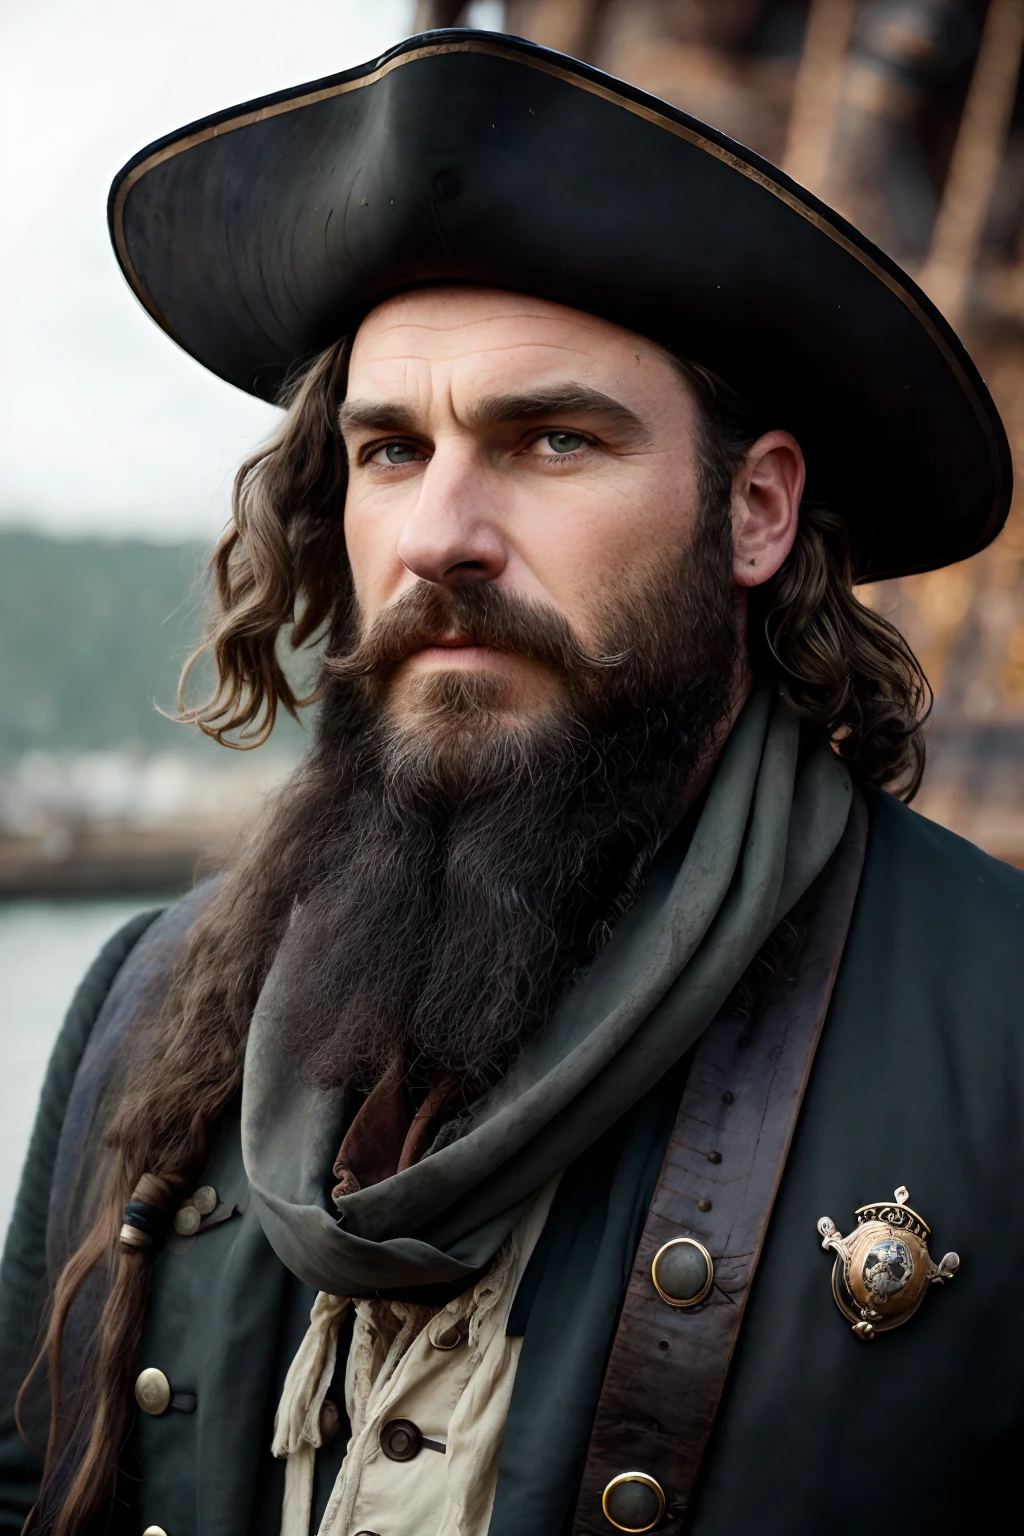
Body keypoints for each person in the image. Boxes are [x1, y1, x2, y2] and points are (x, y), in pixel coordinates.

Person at [2, 25, 1022, 1536]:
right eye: (392, 451)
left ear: (751, 513)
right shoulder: (142, 1011)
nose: (442, 536)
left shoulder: (998, 1027)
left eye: (551, 440)